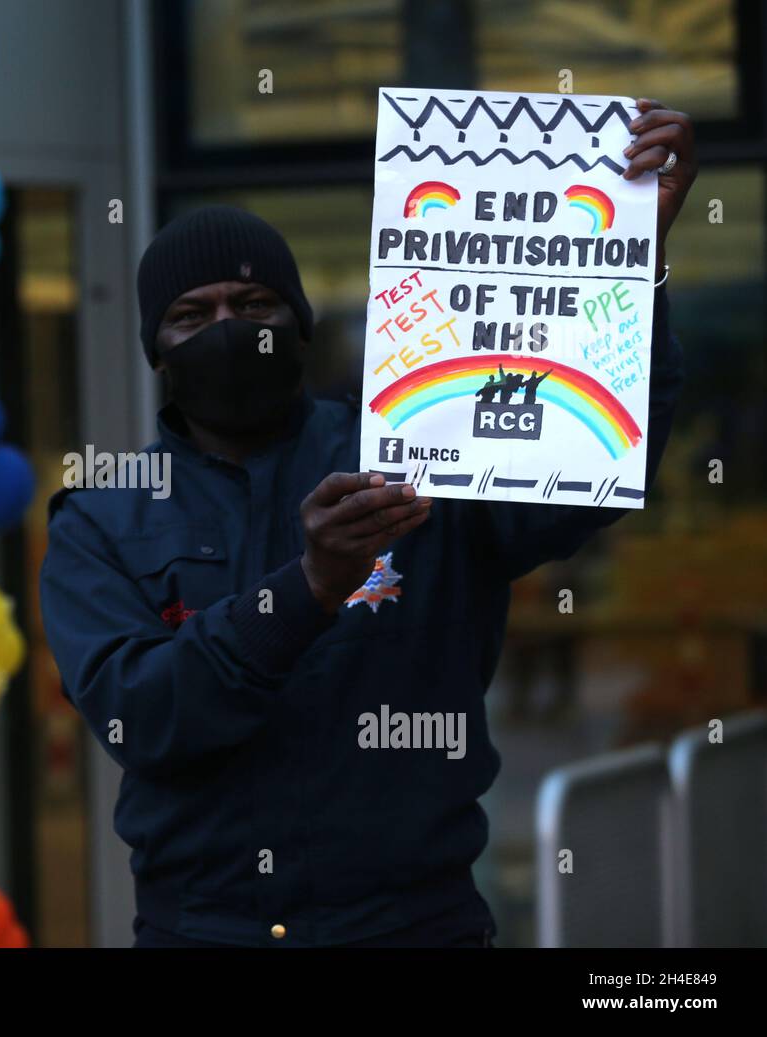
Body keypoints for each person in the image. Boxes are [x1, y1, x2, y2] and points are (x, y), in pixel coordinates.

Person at [39, 99, 695, 948]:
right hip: (205, 928)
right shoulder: (102, 514)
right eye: (192, 317)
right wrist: (308, 588)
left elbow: (591, 481)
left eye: (256, 303)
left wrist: (632, 256)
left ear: (301, 324)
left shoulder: (425, 451)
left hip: (415, 923)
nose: (230, 330)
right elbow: (146, 716)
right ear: (157, 349)